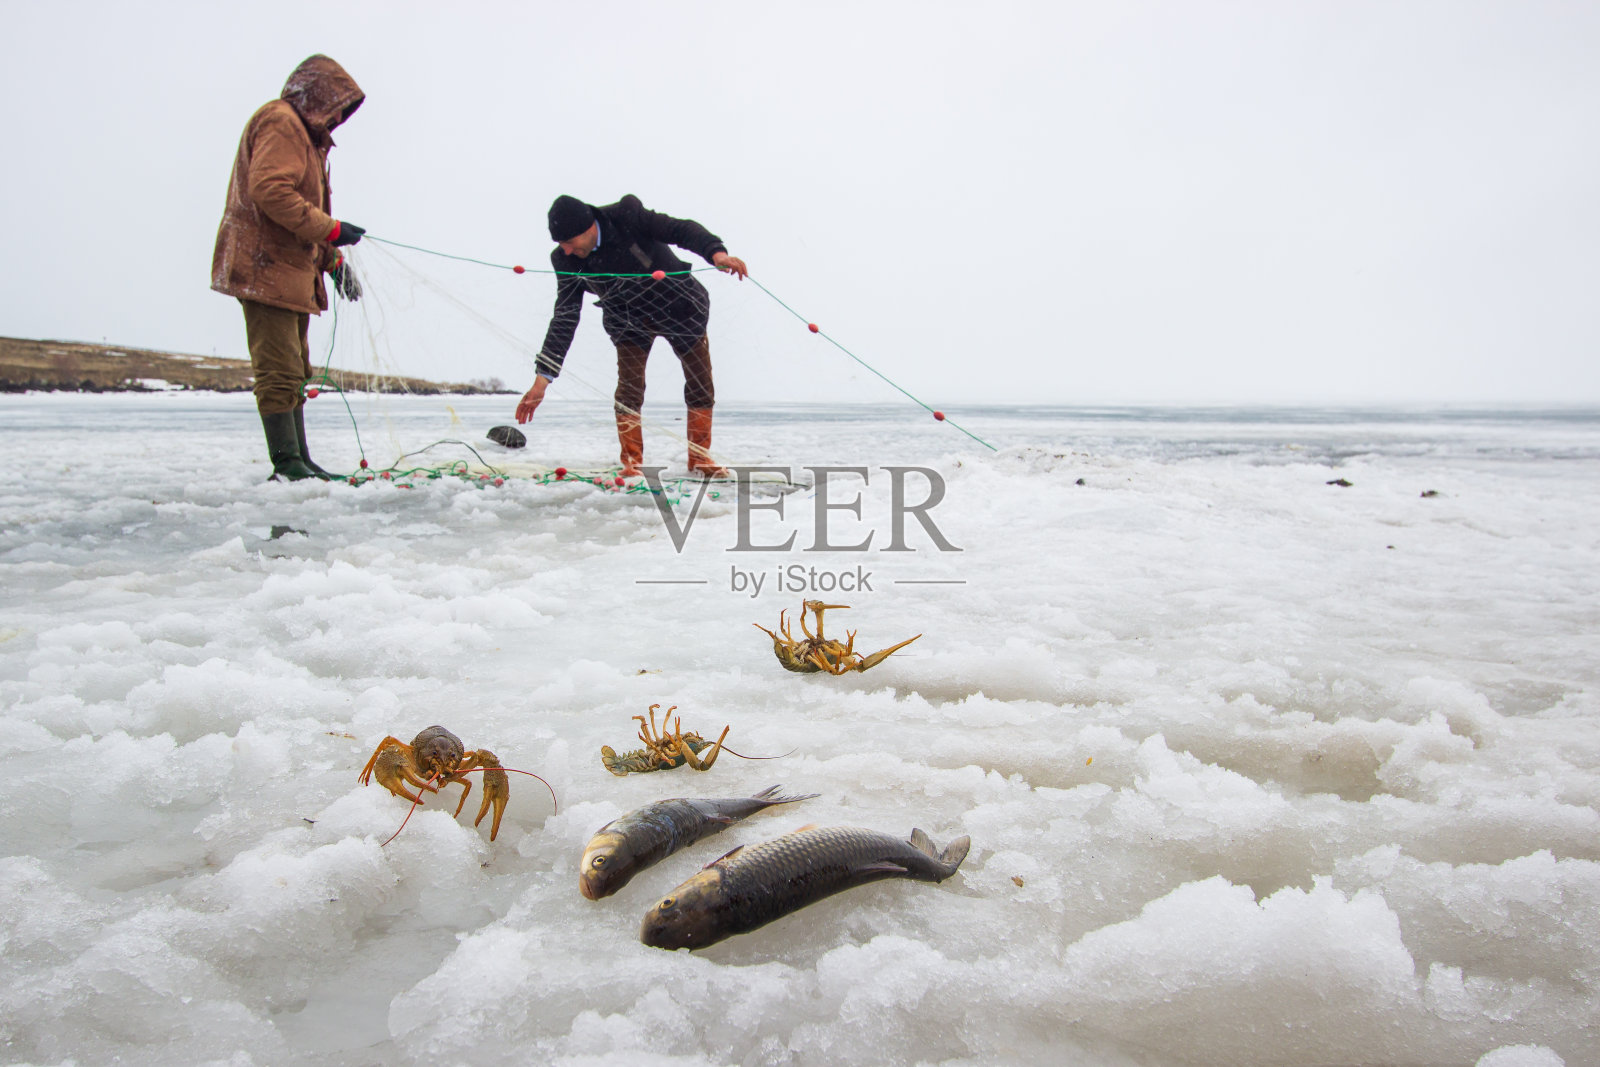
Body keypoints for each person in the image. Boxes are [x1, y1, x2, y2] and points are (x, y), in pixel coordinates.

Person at [211, 54, 366, 481]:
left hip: (290, 272)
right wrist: (332, 230)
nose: (338, 116)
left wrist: (332, 262)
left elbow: (302, 215)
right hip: (266, 271)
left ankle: (301, 459)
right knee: (278, 369)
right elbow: (271, 192)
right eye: (335, 104)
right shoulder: (281, 122)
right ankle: (287, 464)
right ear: (315, 94)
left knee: (296, 369)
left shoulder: (306, 137)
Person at [515, 194, 748, 477]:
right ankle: (632, 464)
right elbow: (565, 317)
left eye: (569, 242)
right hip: (627, 320)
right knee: (629, 389)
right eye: (560, 245)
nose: (565, 250)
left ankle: (700, 460)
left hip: (681, 308)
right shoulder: (566, 261)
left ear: (588, 229)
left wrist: (717, 254)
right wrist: (543, 379)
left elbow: (681, 230)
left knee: (700, 384)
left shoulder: (628, 216)